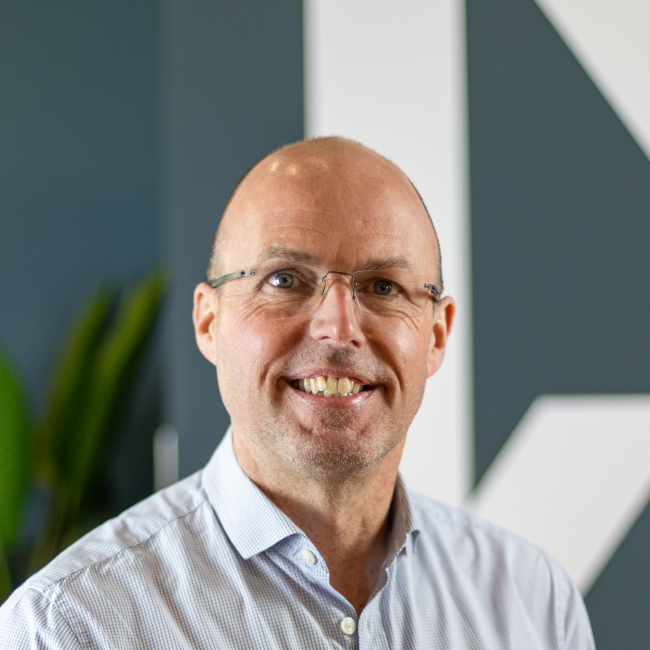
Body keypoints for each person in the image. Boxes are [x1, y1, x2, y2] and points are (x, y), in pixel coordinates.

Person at [0, 137, 595, 648]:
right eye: (285, 279)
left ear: (436, 335)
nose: (338, 327)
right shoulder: (69, 627)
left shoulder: (534, 603)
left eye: (383, 286)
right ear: (209, 323)